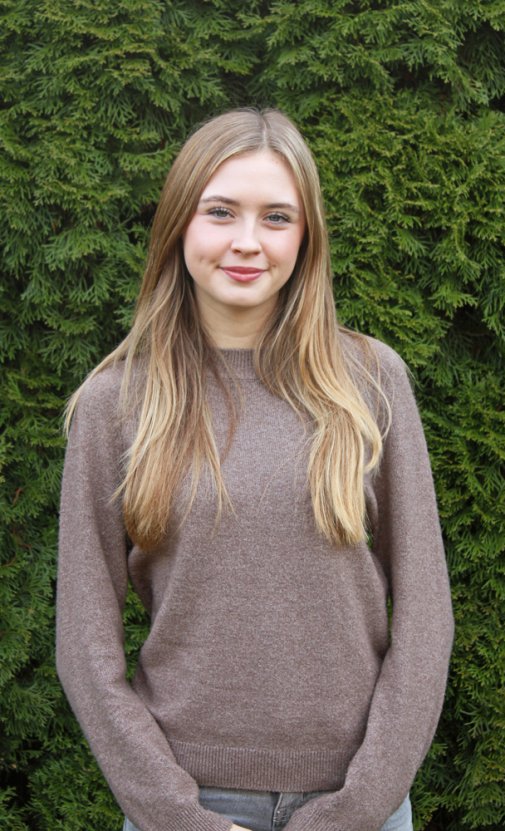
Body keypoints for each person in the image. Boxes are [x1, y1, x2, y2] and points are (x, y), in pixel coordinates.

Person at [56, 108, 454, 831]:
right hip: (186, 804)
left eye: (276, 217)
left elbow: (427, 619)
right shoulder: (115, 402)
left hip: (358, 804)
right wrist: (177, 816)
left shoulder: (369, 382)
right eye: (220, 212)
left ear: (306, 237)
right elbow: (84, 646)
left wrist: (358, 808)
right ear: (179, 224)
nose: (247, 240)